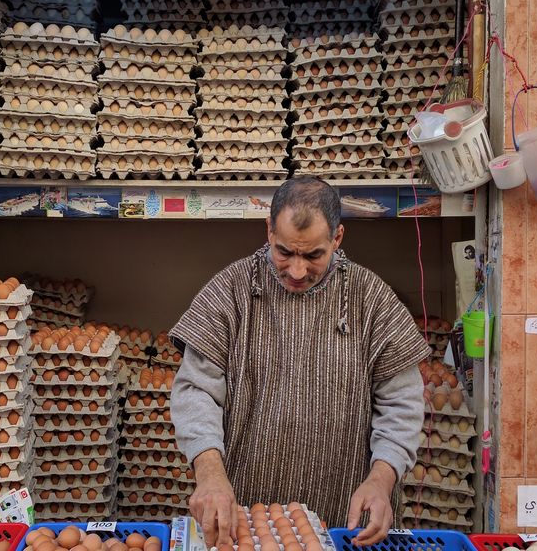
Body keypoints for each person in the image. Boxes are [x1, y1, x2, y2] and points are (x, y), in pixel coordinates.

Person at [169, 177, 429, 547]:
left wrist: (383, 477)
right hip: (244, 517)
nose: (295, 270)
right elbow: (196, 389)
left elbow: (401, 403)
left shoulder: (371, 299)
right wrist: (209, 472)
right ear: (269, 230)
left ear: (337, 238)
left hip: (343, 520)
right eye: (284, 252)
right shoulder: (231, 290)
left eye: (313, 255)